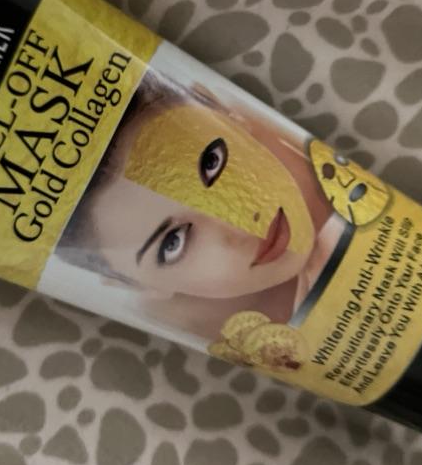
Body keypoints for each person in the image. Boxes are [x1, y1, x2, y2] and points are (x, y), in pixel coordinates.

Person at [57, 70, 344, 340]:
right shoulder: (207, 334)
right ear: (135, 284)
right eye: (173, 242)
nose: (240, 222)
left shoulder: (310, 130)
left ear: (223, 114)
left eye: (211, 163)